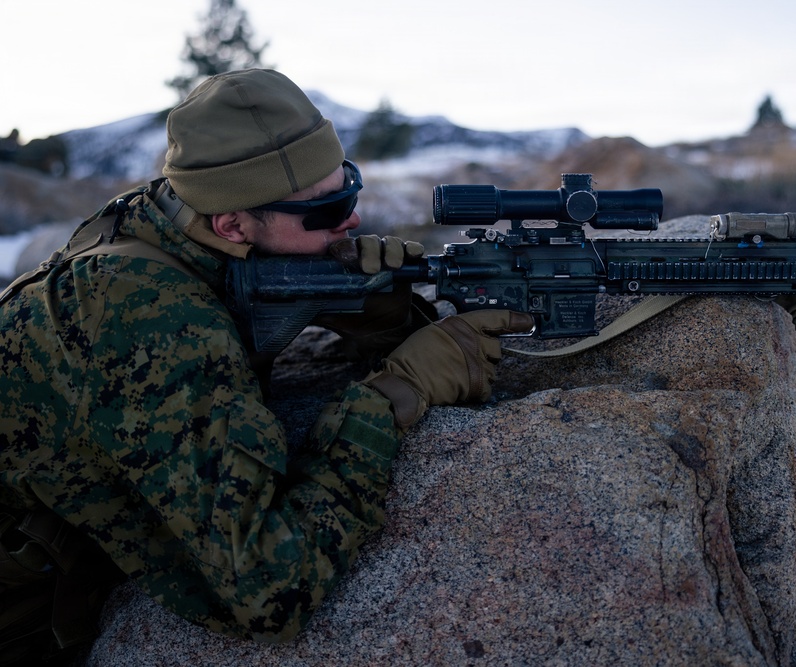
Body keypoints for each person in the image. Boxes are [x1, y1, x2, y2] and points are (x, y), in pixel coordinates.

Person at [0, 68, 533, 664]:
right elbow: (271, 590)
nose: (351, 222)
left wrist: (377, 310)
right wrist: (392, 395)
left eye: (348, 191)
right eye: (326, 211)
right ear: (232, 224)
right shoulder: (153, 315)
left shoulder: (171, 220)